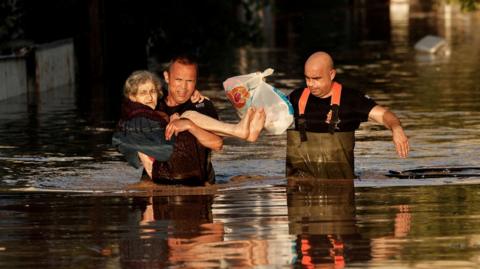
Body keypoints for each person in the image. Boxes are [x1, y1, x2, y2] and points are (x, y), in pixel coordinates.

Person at [286, 51, 409, 179]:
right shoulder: (297, 97)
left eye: (316, 79)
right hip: (299, 184)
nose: (310, 84)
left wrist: (396, 128)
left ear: (332, 74)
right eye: (307, 78)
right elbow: (271, 116)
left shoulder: (351, 99)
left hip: (340, 184)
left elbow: (384, 115)